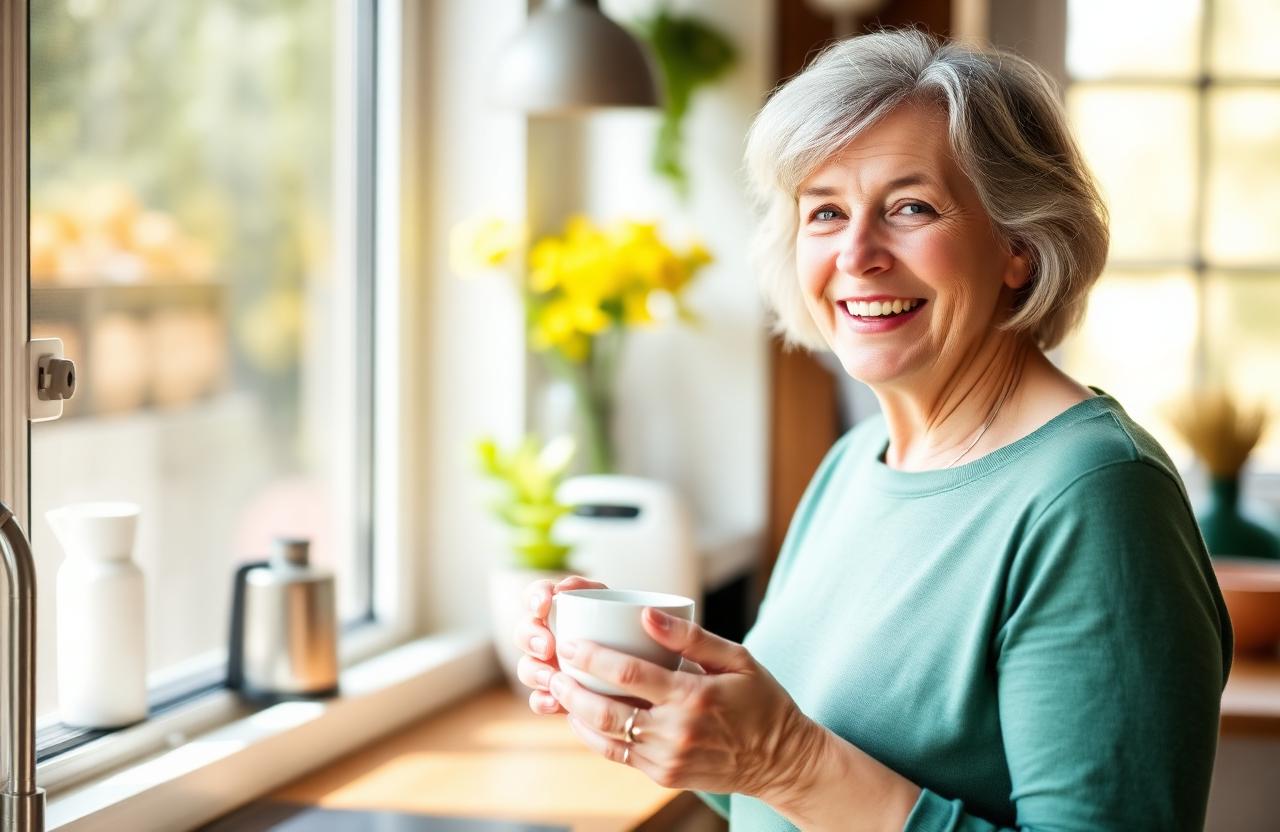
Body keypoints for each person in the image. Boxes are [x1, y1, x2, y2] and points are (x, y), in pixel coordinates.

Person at [513, 29, 1231, 831]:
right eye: (825, 211)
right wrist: (660, 689)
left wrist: (785, 755)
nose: (856, 254)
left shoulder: (1097, 497)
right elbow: (772, 794)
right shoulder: (858, 463)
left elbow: (796, 765)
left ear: (1019, 247)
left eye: (909, 207)